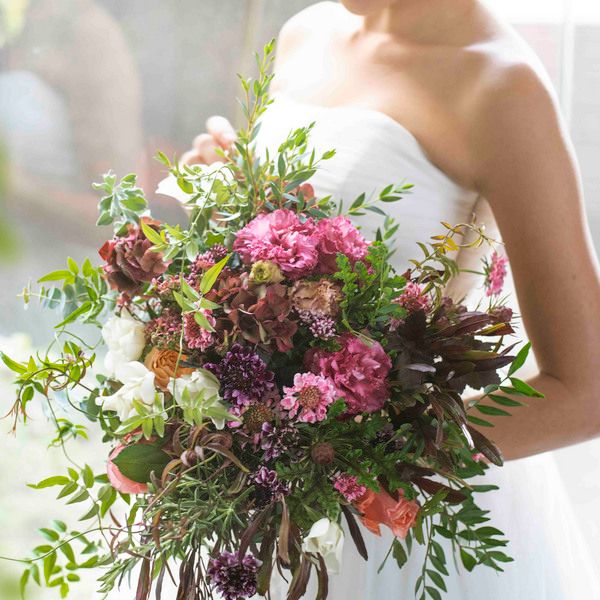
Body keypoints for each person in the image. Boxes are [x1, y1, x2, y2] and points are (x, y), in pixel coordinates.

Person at [181, 1, 600, 597]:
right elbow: (287, 249)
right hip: (257, 494)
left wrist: (363, 459)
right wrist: (227, 194)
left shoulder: (502, 86)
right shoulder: (305, 32)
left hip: (389, 520)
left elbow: (587, 391)